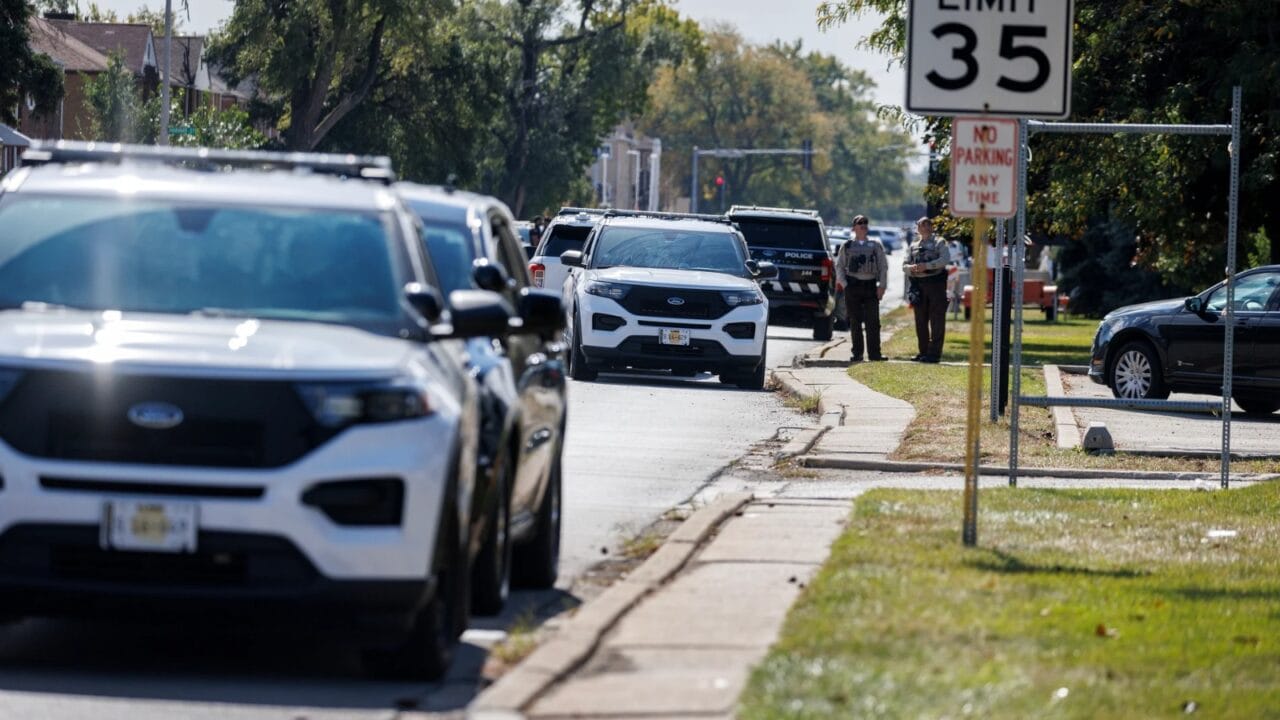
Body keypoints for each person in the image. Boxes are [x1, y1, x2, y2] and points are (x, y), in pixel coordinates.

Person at [835, 215, 888, 363]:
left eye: (865, 222)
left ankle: (875, 354)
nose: (863, 225)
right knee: (855, 321)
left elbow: (883, 266)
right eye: (860, 223)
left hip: (870, 286)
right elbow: (839, 266)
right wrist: (845, 285)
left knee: (873, 322)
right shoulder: (847, 245)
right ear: (854, 227)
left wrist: (882, 286)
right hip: (853, 286)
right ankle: (857, 353)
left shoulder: (875, 245)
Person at [904, 216, 950, 363]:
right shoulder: (913, 246)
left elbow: (945, 259)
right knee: (920, 321)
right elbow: (904, 265)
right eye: (922, 225)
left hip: (936, 285)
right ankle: (923, 352)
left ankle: (934, 354)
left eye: (928, 224)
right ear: (918, 228)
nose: (925, 227)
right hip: (919, 286)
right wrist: (912, 268)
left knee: (937, 320)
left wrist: (928, 266)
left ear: (932, 227)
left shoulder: (939, 242)